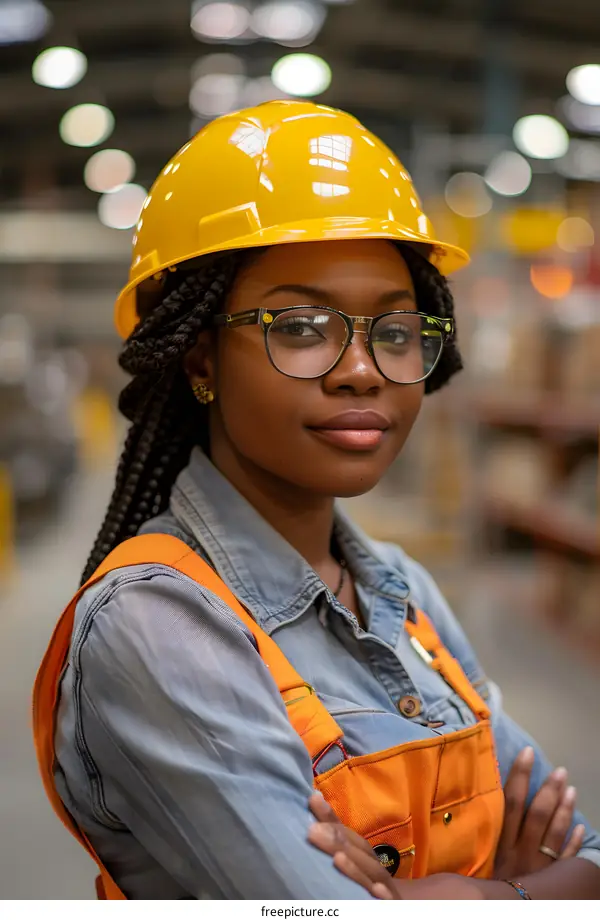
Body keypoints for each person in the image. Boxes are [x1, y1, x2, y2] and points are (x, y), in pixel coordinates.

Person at [33, 100, 600, 900]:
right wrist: (521, 890)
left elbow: (591, 854)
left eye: (396, 331)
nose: (362, 368)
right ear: (199, 357)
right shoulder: (157, 624)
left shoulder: (403, 592)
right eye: (300, 327)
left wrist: (465, 900)